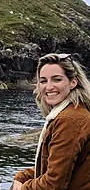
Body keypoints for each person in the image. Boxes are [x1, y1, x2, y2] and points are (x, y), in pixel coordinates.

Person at [10, 53, 90, 190]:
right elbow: (58, 165)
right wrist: (23, 176)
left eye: (57, 80)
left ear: (73, 82)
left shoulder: (69, 120)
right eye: (43, 81)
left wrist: (23, 187)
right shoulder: (74, 112)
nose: (49, 87)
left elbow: (54, 184)